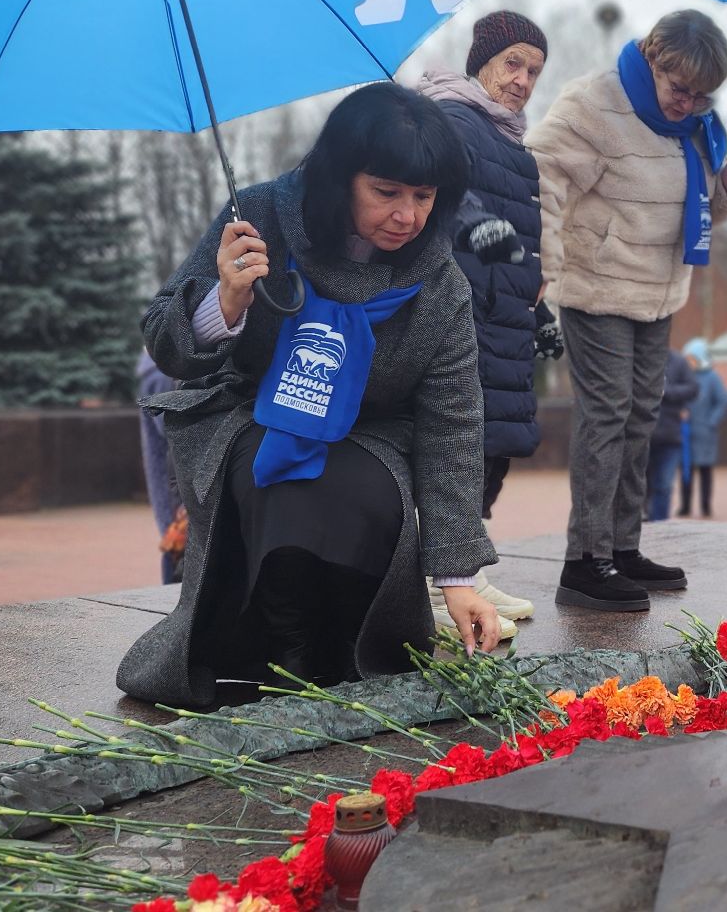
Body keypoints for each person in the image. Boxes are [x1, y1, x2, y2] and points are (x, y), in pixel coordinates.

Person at [118, 83, 502, 708]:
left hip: (370, 433)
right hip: (251, 412)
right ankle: (283, 654)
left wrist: (458, 576)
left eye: (424, 197)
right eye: (387, 193)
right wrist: (226, 301)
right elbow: (165, 340)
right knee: (287, 473)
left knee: (359, 487)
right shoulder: (262, 216)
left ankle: (339, 650)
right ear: (340, 176)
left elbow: (452, 423)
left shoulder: (439, 283)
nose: (408, 217)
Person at [527, 10, 727, 613]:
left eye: (703, 95)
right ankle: (583, 562)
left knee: (642, 416)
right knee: (607, 413)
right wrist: (541, 269)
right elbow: (540, 180)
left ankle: (622, 548)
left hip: (659, 291)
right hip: (596, 286)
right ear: (653, 59)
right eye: (680, 89)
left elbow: (697, 212)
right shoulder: (594, 105)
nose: (688, 104)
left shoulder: (698, 126)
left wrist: (726, 187)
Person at [415, 9, 552, 629]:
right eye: (513, 64)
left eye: (534, 71)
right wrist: (476, 224)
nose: (523, 80)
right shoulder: (452, 119)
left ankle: (465, 573)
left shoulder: (511, 141)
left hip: (504, 315)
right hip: (462, 308)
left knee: (492, 447)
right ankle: (431, 584)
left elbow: (520, 242)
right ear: (483, 63)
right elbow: (437, 187)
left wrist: (541, 307)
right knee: (459, 444)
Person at [136, 349, 185, 581]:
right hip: (180, 504)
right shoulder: (164, 373)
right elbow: (177, 438)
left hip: (178, 500)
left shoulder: (163, 368)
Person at [647, 347, 698, 522]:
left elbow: (693, 388)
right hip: (642, 436)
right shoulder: (640, 358)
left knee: (664, 485)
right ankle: (643, 524)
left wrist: (666, 392)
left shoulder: (678, 362)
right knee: (639, 486)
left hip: (670, 435)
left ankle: (659, 525)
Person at [680, 338, 727, 518]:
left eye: (692, 358)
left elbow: (722, 401)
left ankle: (705, 506)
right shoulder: (686, 376)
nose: (689, 362)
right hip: (687, 432)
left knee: (705, 471)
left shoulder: (712, 378)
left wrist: (712, 421)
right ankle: (685, 505)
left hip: (705, 433)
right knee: (686, 470)